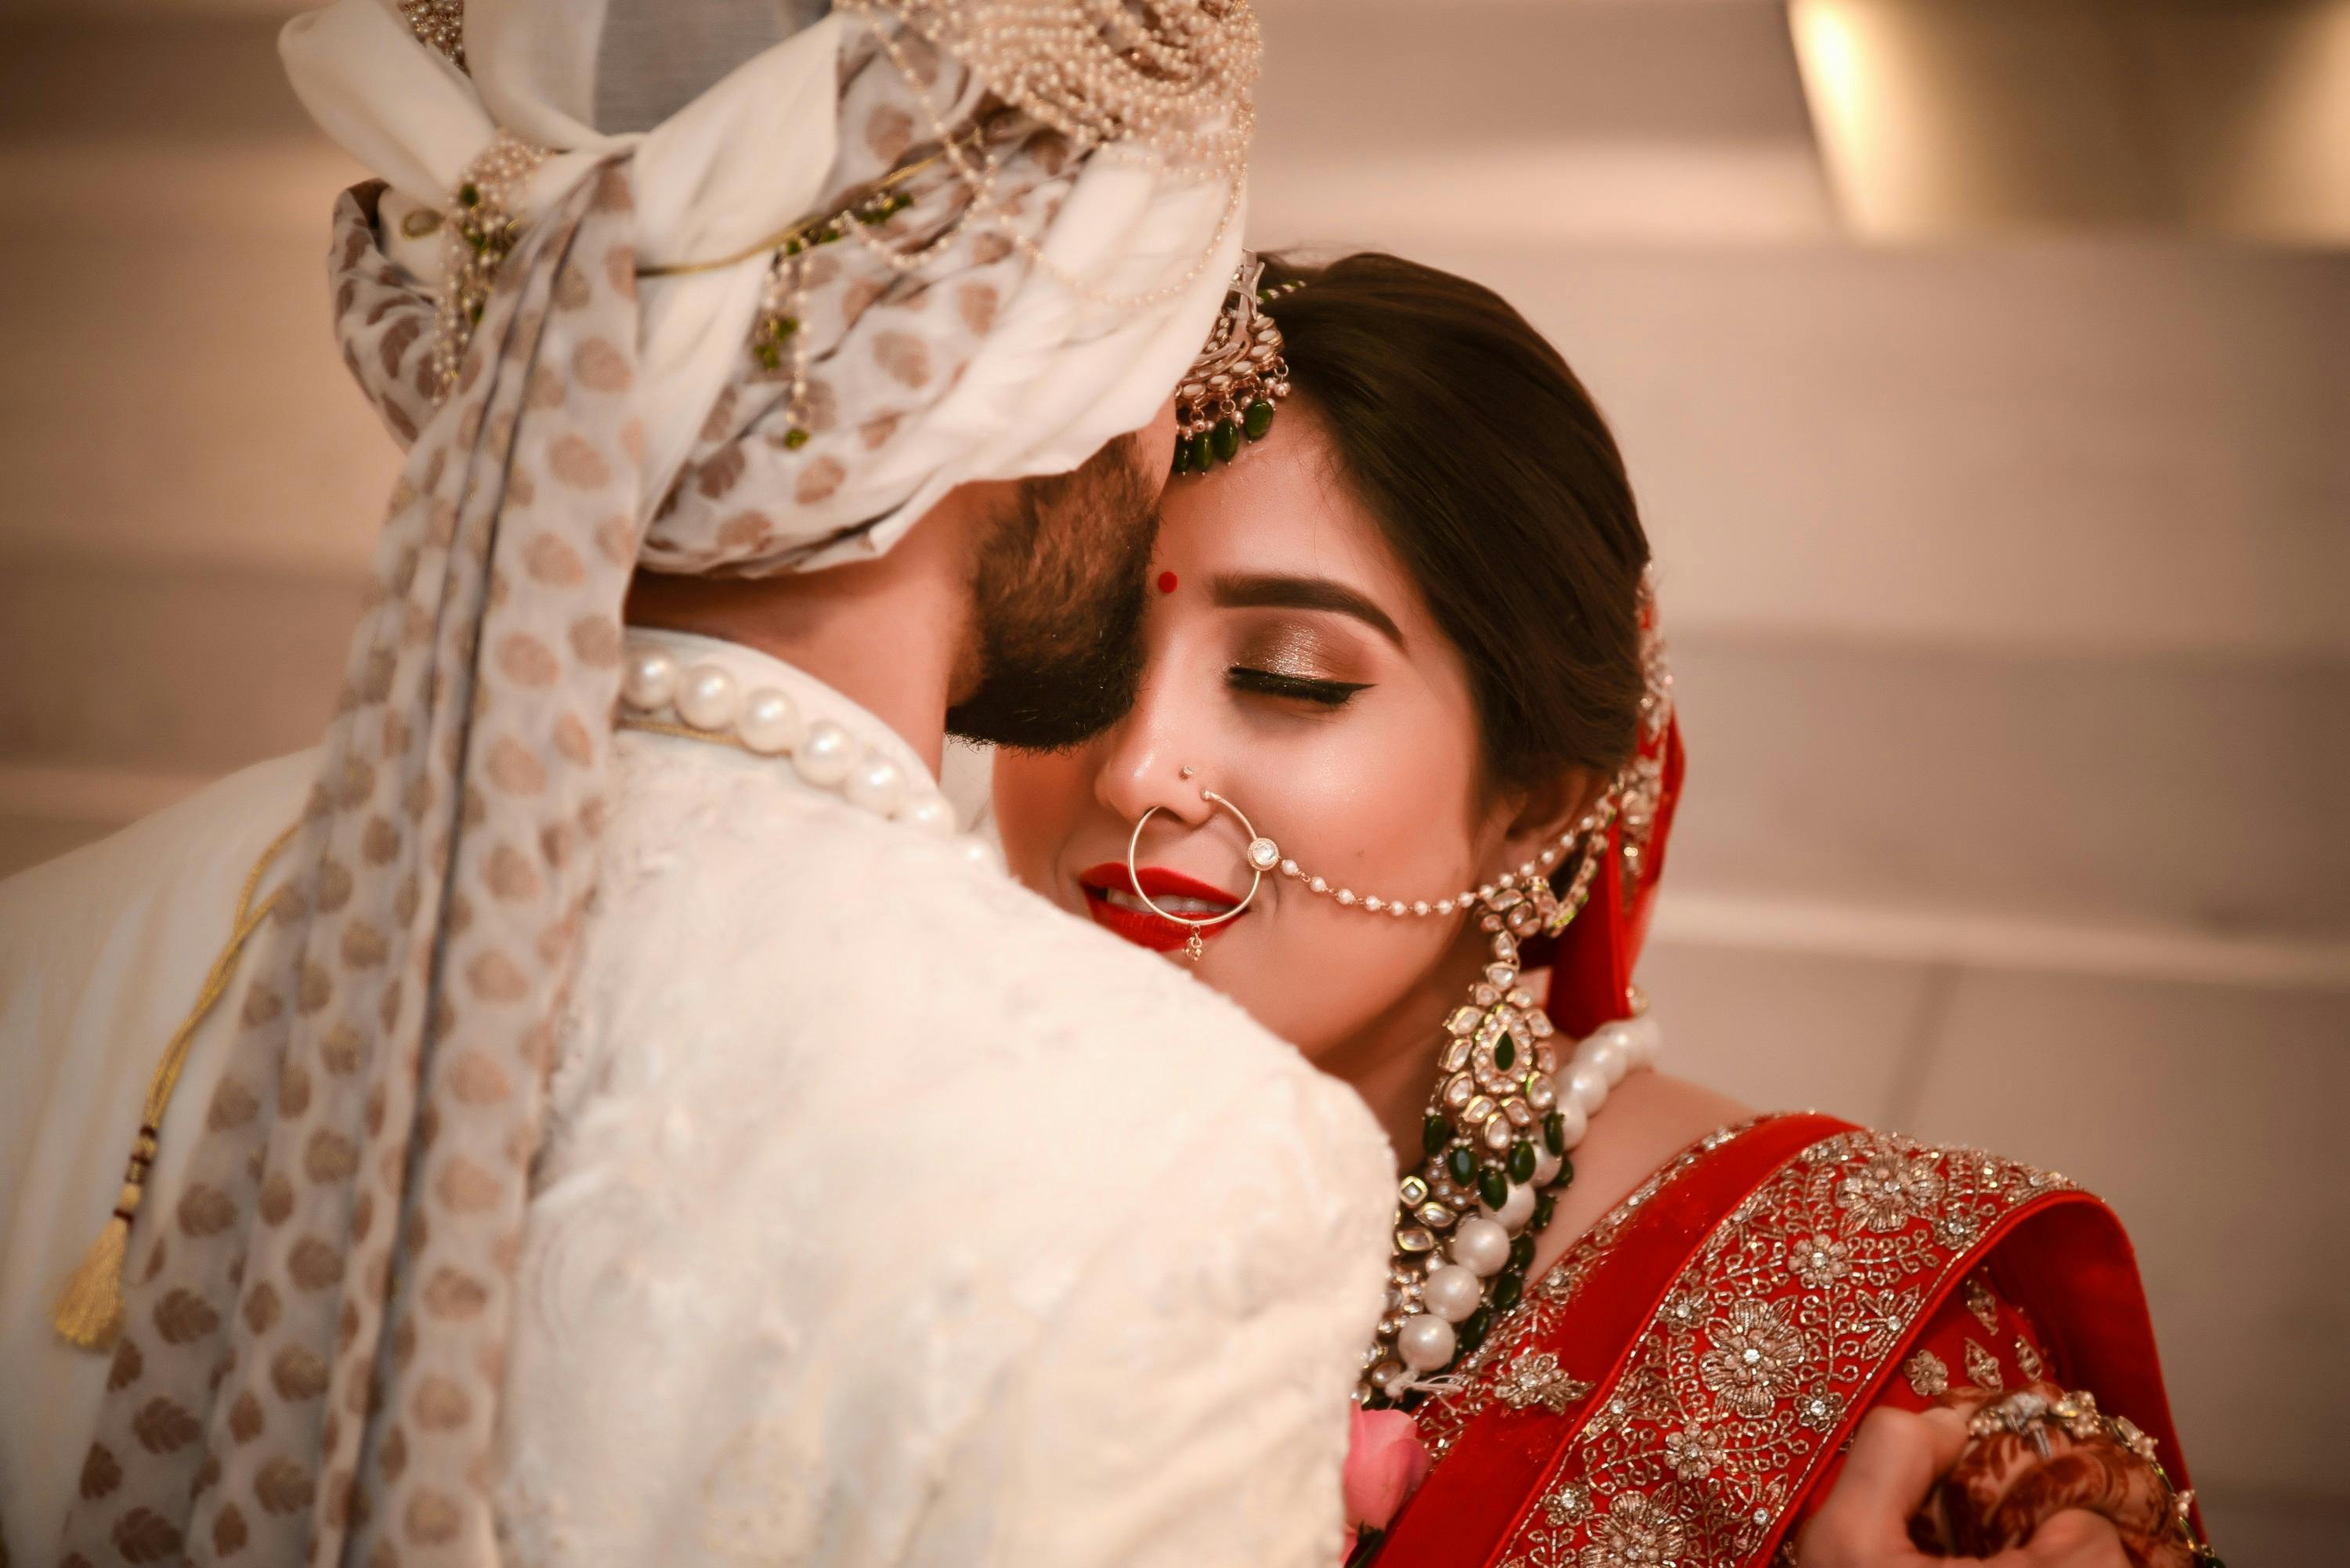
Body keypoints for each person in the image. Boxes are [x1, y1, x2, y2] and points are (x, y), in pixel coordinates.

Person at [0, 6, 1398, 1566]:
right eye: (1170, 344)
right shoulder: (1200, 1159)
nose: (1162, 439)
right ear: (1028, 381)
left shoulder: (41, 950)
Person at [992, 252, 2221, 1568]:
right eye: (1079, 659)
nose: (1132, 766)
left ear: (1536, 797)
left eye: (1289, 677)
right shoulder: (880, 1173)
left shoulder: (1847, 1326)